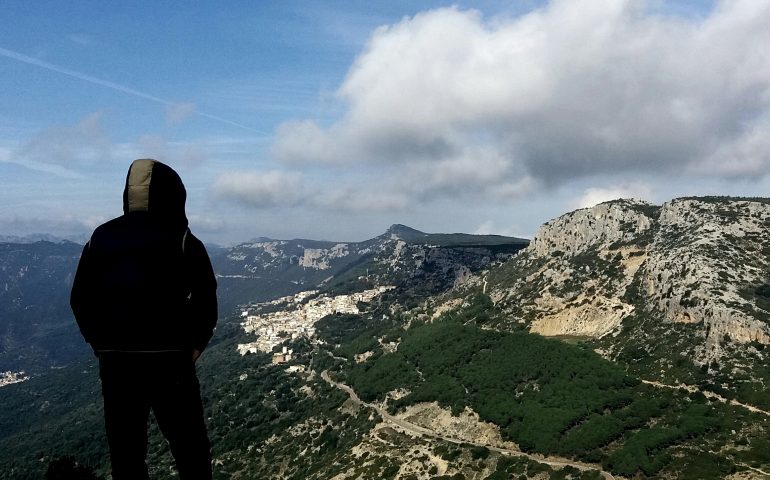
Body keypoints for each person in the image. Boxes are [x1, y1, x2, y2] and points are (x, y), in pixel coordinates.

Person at [70, 159, 218, 480]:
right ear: (174, 194)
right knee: (189, 447)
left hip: (116, 363)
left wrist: (100, 343)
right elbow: (206, 297)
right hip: (171, 362)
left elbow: (80, 298)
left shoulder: (100, 237)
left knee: (126, 451)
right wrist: (194, 345)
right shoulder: (182, 238)